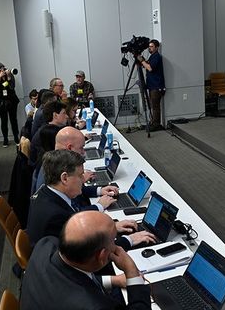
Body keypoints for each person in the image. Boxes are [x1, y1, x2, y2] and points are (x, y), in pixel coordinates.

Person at [26, 150, 156, 250]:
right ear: (64, 178)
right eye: (80, 175)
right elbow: (89, 250)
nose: (84, 179)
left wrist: (113, 228)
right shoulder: (55, 215)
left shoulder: (47, 192)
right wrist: (129, 240)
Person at [20, 211, 151, 310]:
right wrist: (131, 272)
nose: (116, 244)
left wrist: (114, 280)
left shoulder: (45, 245)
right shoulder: (94, 306)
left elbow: (73, 279)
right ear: (102, 256)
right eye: (114, 240)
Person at [34, 126, 119, 204]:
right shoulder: (57, 169)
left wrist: (99, 190)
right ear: (70, 148)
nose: (83, 152)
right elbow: (74, 209)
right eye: (81, 148)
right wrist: (99, 206)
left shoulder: (56, 162)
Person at [29, 101, 69, 167]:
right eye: (64, 113)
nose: (67, 116)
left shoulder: (48, 128)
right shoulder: (50, 133)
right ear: (55, 115)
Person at [138, 39, 165, 131]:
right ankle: (154, 122)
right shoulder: (152, 56)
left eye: (151, 46)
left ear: (156, 47)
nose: (149, 48)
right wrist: (144, 61)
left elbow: (150, 68)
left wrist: (141, 61)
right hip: (152, 86)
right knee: (154, 106)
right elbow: (148, 65)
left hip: (156, 87)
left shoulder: (156, 56)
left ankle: (156, 124)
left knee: (155, 107)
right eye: (149, 46)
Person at [0, 62, 20, 147]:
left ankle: (16, 137)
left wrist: (8, 77)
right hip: (1, 102)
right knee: (4, 120)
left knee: (13, 120)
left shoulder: (10, 75)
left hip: (11, 101)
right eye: (0, 70)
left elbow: (12, 87)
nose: (3, 71)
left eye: (3, 69)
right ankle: (5, 139)